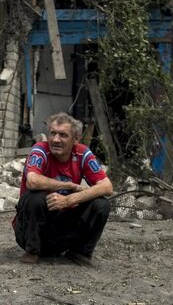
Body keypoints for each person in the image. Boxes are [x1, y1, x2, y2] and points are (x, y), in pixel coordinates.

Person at [15, 112, 114, 265]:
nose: (55, 139)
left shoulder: (82, 153)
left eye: (63, 135)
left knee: (101, 204)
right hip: (31, 231)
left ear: (76, 139)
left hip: (63, 231)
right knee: (34, 196)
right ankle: (33, 250)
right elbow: (32, 181)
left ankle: (80, 252)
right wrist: (68, 186)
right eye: (52, 133)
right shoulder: (40, 149)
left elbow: (107, 187)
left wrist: (69, 200)